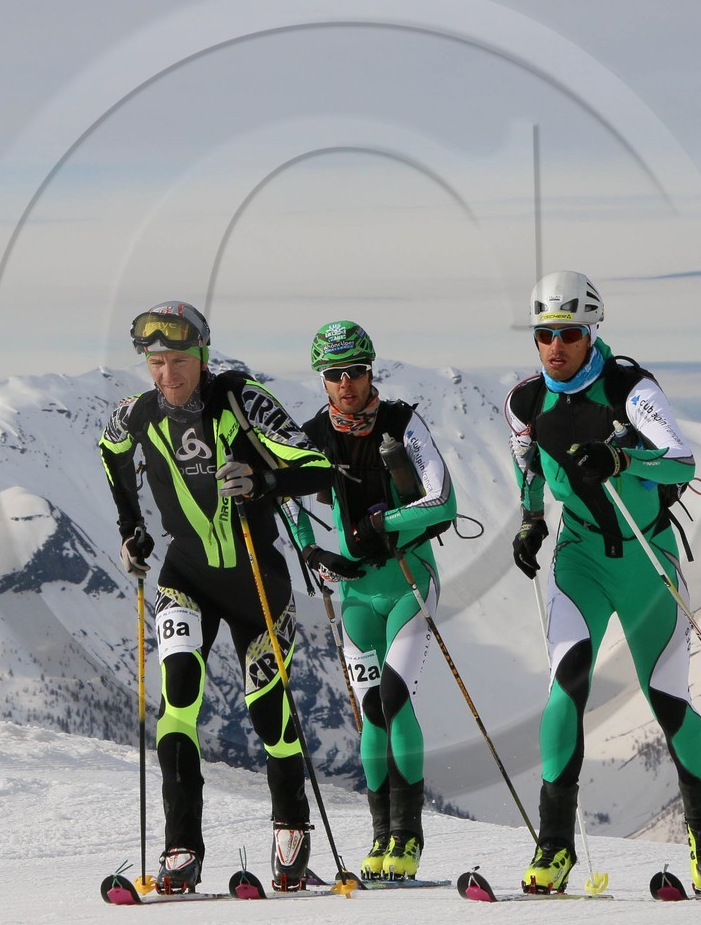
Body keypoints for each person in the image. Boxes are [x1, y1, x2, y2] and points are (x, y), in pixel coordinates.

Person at [98, 301, 332, 893]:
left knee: (268, 711)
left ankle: (291, 831)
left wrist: (264, 481)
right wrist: (131, 528)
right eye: (156, 362)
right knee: (177, 699)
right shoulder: (136, 413)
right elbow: (110, 453)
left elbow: (319, 467)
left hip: (257, 578)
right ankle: (181, 850)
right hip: (185, 575)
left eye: (179, 360)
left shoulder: (242, 398)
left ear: (202, 356)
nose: (167, 374)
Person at [504, 271, 701, 894]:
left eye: (569, 333)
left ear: (592, 331)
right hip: (580, 560)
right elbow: (527, 464)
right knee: (565, 688)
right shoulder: (525, 401)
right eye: (545, 334)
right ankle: (554, 848)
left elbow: (681, 460)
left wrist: (622, 456)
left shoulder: (630, 388)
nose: (555, 346)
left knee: (667, 701)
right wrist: (530, 521)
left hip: (646, 560)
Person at [285, 321, 457, 882]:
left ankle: (408, 837)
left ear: (370, 370)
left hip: (410, 579)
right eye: (334, 374)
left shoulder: (401, 422)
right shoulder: (314, 434)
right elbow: (285, 495)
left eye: (355, 371)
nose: (346, 383)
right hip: (356, 590)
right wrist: (313, 552)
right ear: (322, 378)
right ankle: (381, 837)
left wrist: (385, 522)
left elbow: (444, 502)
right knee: (370, 716)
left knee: (393, 700)